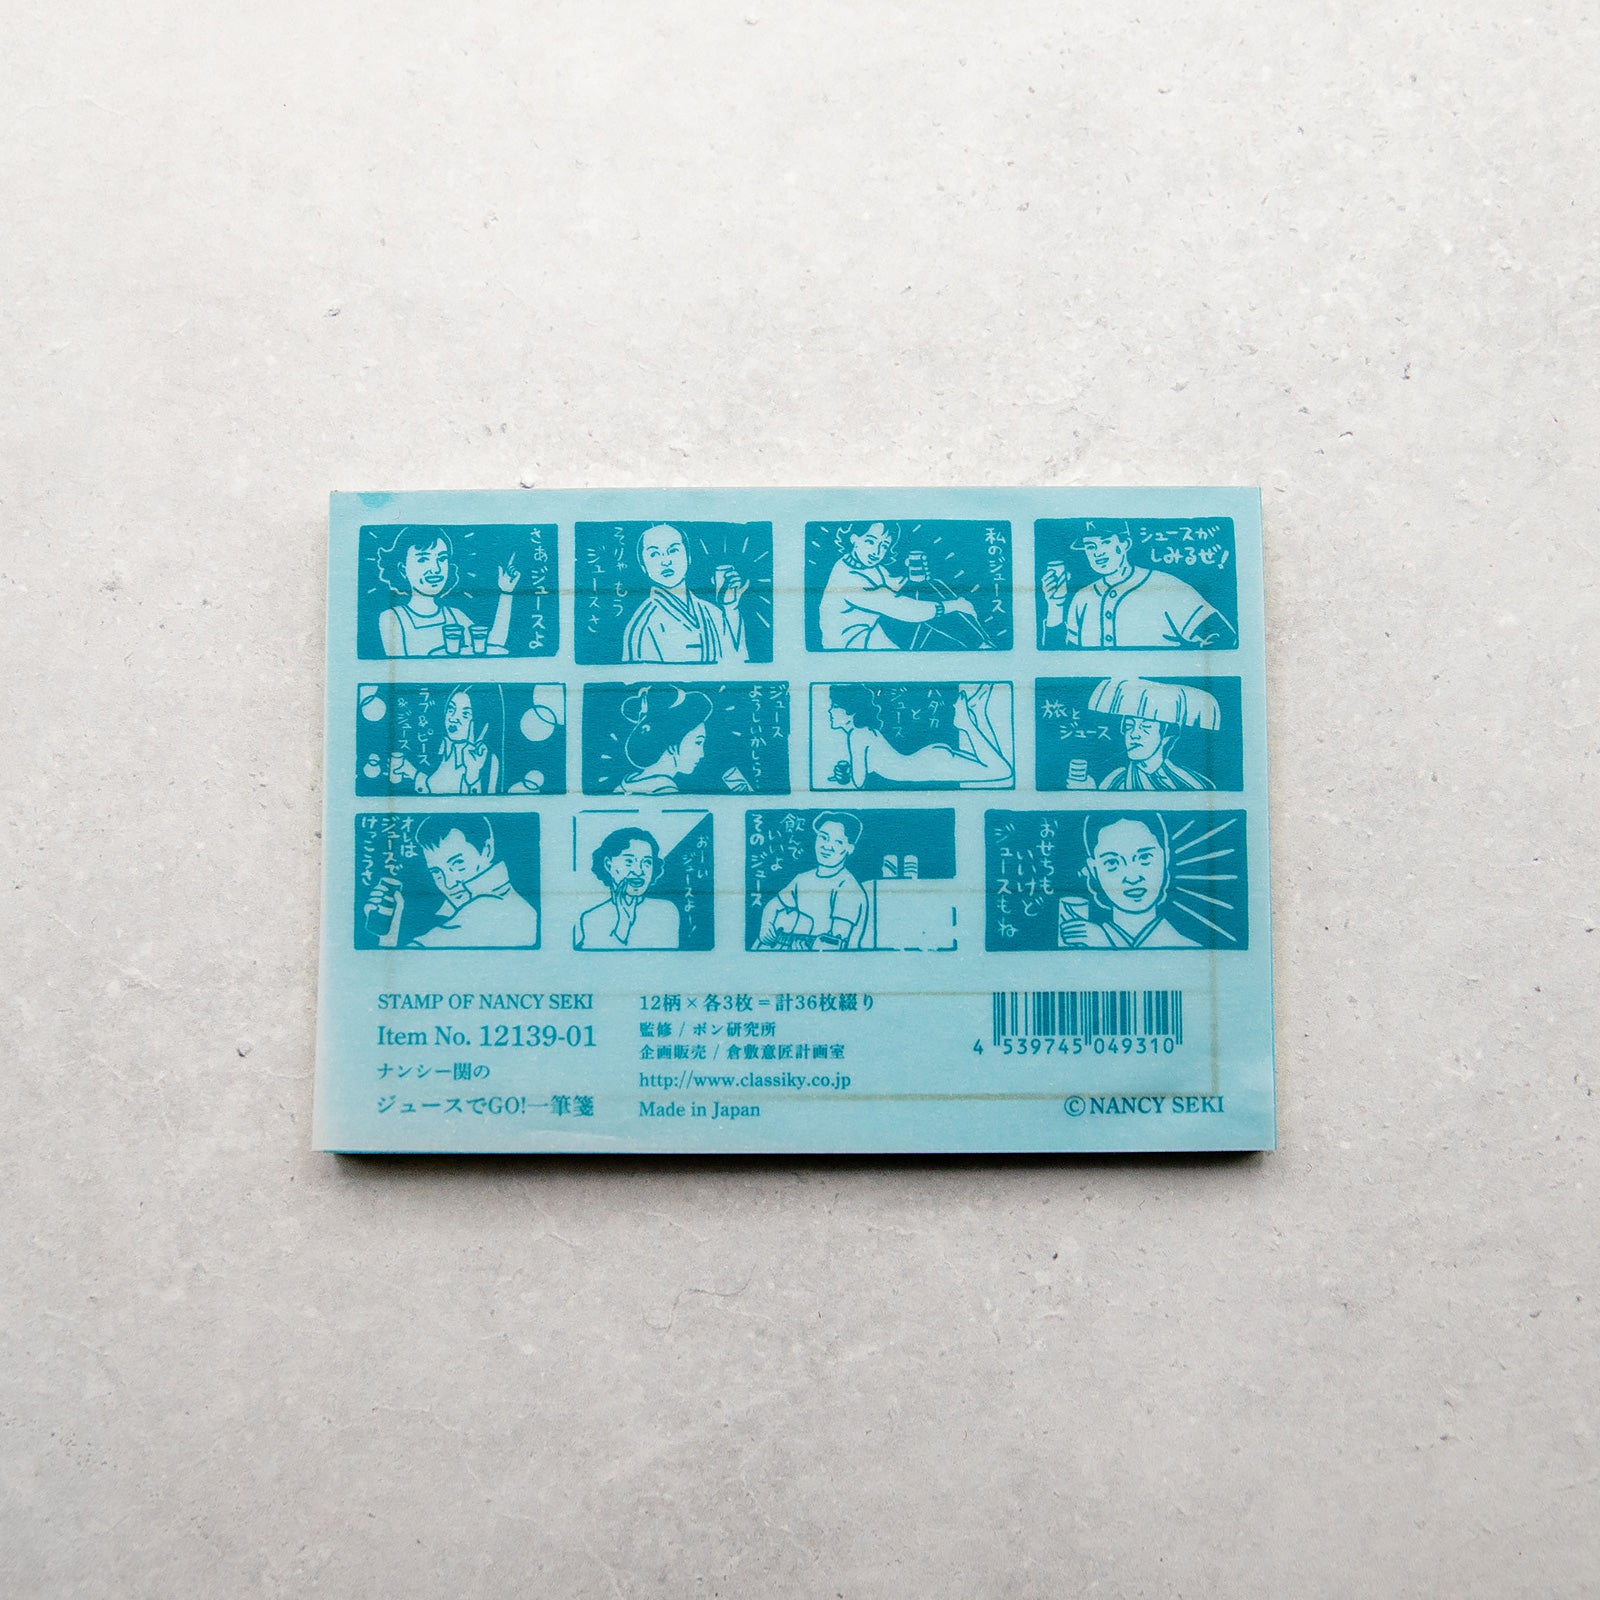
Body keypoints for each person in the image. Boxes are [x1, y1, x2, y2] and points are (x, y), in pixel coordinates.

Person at [1040, 524, 1236, 649]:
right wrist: (1055, 607)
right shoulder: (1083, 597)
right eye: (1091, 546)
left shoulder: (1165, 586)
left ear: (1124, 544)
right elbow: (1061, 662)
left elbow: (1222, 636)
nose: (1098, 552)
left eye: (1106, 542)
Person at [365, 816, 539, 948]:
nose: (449, 884)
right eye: (437, 873)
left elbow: (411, 962)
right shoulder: (465, 909)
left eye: (458, 865)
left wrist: (388, 936)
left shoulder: (488, 907)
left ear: (487, 850)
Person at [817, 523, 978, 650]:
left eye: (884, 545)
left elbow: (893, 584)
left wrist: (913, 576)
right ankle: (978, 643)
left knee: (931, 587)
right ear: (854, 539)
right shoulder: (847, 577)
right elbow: (903, 608)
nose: (877, 551)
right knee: (925, 615)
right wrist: (954, 605)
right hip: (852, 648)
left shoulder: (870, 566)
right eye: (870, 541)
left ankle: (978, 640)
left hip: (873, 635)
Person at [824, 683, 1012, 789]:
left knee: (1001, 772)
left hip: (928, 766)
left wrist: (847, 773)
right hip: (927, 761)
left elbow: (858, 782)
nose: (830, 711)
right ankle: (976, 714)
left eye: (834, 706)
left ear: (850, 713)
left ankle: (967, 722)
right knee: (994, 769)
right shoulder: (867, 732)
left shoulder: (857, 735)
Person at [374, 527, 521, 658]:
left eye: (442, 558)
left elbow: (492, 646)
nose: (436, 569)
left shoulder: (454, 615)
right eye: (423, 559)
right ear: (402, 569)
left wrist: (506, 592)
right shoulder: (392, 618)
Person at [1059, 814, 1198, 950]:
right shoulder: (1081, 943)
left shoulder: (1189, 948)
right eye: (1112, 862)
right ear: (1093, 869)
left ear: (1166, 857)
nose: (1133, 878)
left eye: (1144, 857)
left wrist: (1105, 945)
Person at [622, 526, 748, 664]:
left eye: (673, 550)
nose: (665, 561)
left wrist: (730, 607)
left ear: (688, 557)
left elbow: (736, 663)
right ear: (643, 567)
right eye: (654, 554)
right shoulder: (643, 623)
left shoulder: (711, 611)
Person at [1074, 678, 1219, 791]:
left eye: (1146, 727)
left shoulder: (1195, 783)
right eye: (1129, 726)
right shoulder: (1115, 781)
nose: (1134, 734)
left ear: (1168, 735)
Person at [756, 812, 869, 951]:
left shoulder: (848, 887)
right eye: (823, 837)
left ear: (850, 849)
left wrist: (808, 949)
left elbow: (835, 944)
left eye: (838, 842)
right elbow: (773, 905)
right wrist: (766, 925)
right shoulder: (802, 878)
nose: (827, 846)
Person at [575, 828, 681, 950]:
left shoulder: (665, 911)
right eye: (629, 861)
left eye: (647, 862)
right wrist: (623, 923)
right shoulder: (591, 918)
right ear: (608, 865)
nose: (639, 871)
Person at [388, 685, 502, 795]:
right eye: (451, 709)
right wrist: (411, 771)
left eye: (465, 714)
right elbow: (434, 788)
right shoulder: (447, 748)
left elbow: (486, 802)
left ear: (482, 723)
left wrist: (473, 772)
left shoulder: (489, 760)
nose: (453, 718)